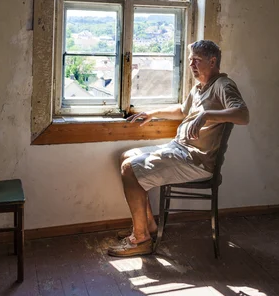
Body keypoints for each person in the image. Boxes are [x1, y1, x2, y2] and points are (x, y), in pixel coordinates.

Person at [107, 39, 249, 257]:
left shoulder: (223, 86)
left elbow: (243, 115)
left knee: (130, 169)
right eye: (190, 60)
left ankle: (141, 239)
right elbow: (183, 110)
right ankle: (148, 226)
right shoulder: (200, 86)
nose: (191, 64)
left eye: (197, 60)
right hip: (180, 149)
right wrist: (153, 113)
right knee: (126, 156)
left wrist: (207, 114)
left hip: (196, 160)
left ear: (213, 62)